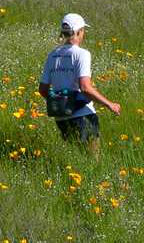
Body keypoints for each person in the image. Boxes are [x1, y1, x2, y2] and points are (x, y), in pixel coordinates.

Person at [38, 13, 121, 157]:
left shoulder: (52, 55)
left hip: (62, 118)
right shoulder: (82, 54)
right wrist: (109, 104)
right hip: (84, 115)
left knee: (76, 159)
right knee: (92, 160)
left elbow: (43, 89)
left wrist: (61, 103)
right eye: (83, 30)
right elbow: (85, 87)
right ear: (78, 32)